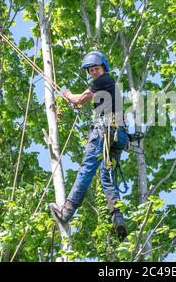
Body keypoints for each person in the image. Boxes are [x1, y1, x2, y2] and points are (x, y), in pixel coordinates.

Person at [50, 51, 129, 239]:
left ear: (103, 68)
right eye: (91, 70)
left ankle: (67, 211)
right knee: (107, 177)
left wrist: (67, 94)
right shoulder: (109, 87)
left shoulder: (105, 80)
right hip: (119, 136)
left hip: (105, 131)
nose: (93, 72)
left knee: (87, 169)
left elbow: (79, 99)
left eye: (96, 68)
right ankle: (117, 218)